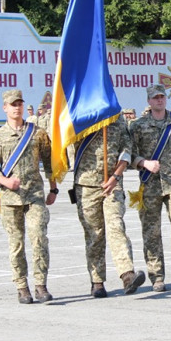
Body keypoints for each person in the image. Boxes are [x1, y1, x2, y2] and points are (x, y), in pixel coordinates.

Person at [0, 89, 57, 304]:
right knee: (16, 244)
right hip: (10, 198)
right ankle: (22, 287)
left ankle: (41, 285)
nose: (17, 107)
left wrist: (53, 189)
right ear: (5, 107)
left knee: (39, 238)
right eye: (12, 104)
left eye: (20, 103)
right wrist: (4, 181)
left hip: (34, 195)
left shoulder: (37, 133)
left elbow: (49, 161)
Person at [129, 84, 171, 292]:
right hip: (149, 185)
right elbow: (128, 155)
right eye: (155, 98)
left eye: (162, 97)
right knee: (151, 233)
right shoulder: (138, 126)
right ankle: (157, 277)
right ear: (149, 101)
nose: (159, 100)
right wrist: (144, 163)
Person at [72, 116, 146, 298]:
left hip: (112, 182)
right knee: (94, 234)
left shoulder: (117, 119)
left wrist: (115, 176)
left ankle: (127, 274)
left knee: (116, 226)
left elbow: (126, 150)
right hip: (86, 184)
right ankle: (97, 282)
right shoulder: (80, 115)